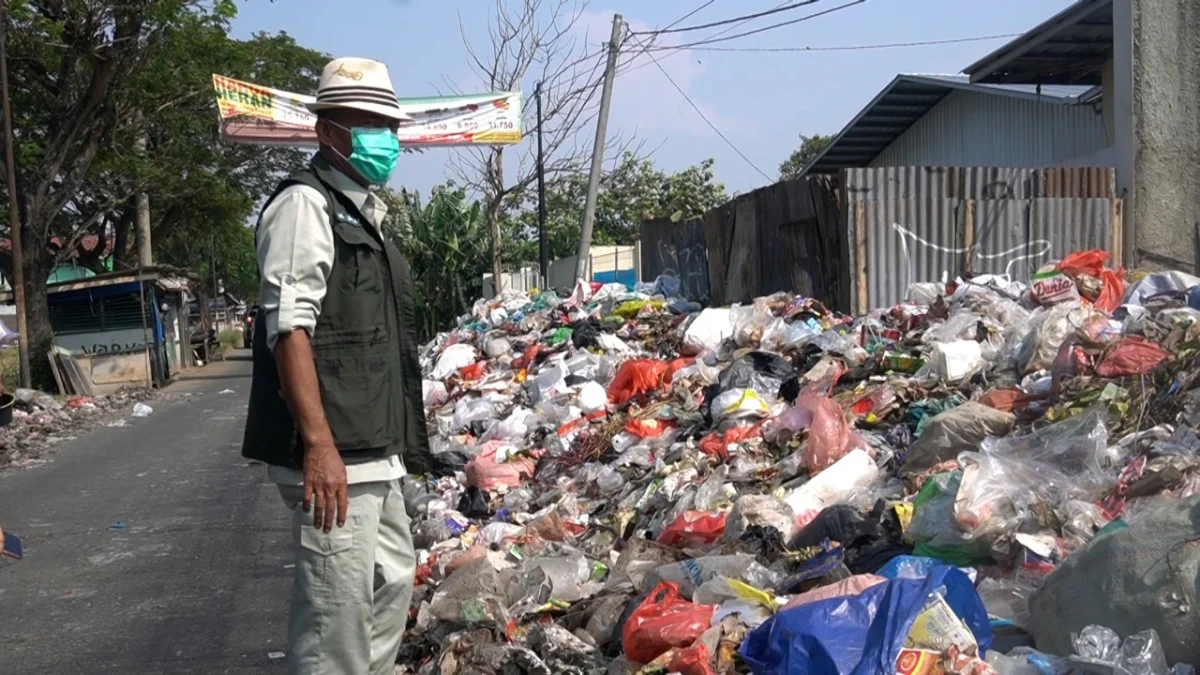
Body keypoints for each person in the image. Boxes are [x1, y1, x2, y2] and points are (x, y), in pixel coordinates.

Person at [242, 57, 431, 675]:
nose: (386, 139)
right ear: (327, 131)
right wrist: (320, 446)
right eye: (368, 124)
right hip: (334, 452)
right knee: (334, 620)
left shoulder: (360, 210)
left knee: (389, 582)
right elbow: (288, 326)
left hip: (373, 446)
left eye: (389, 125)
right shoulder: (305, 205)